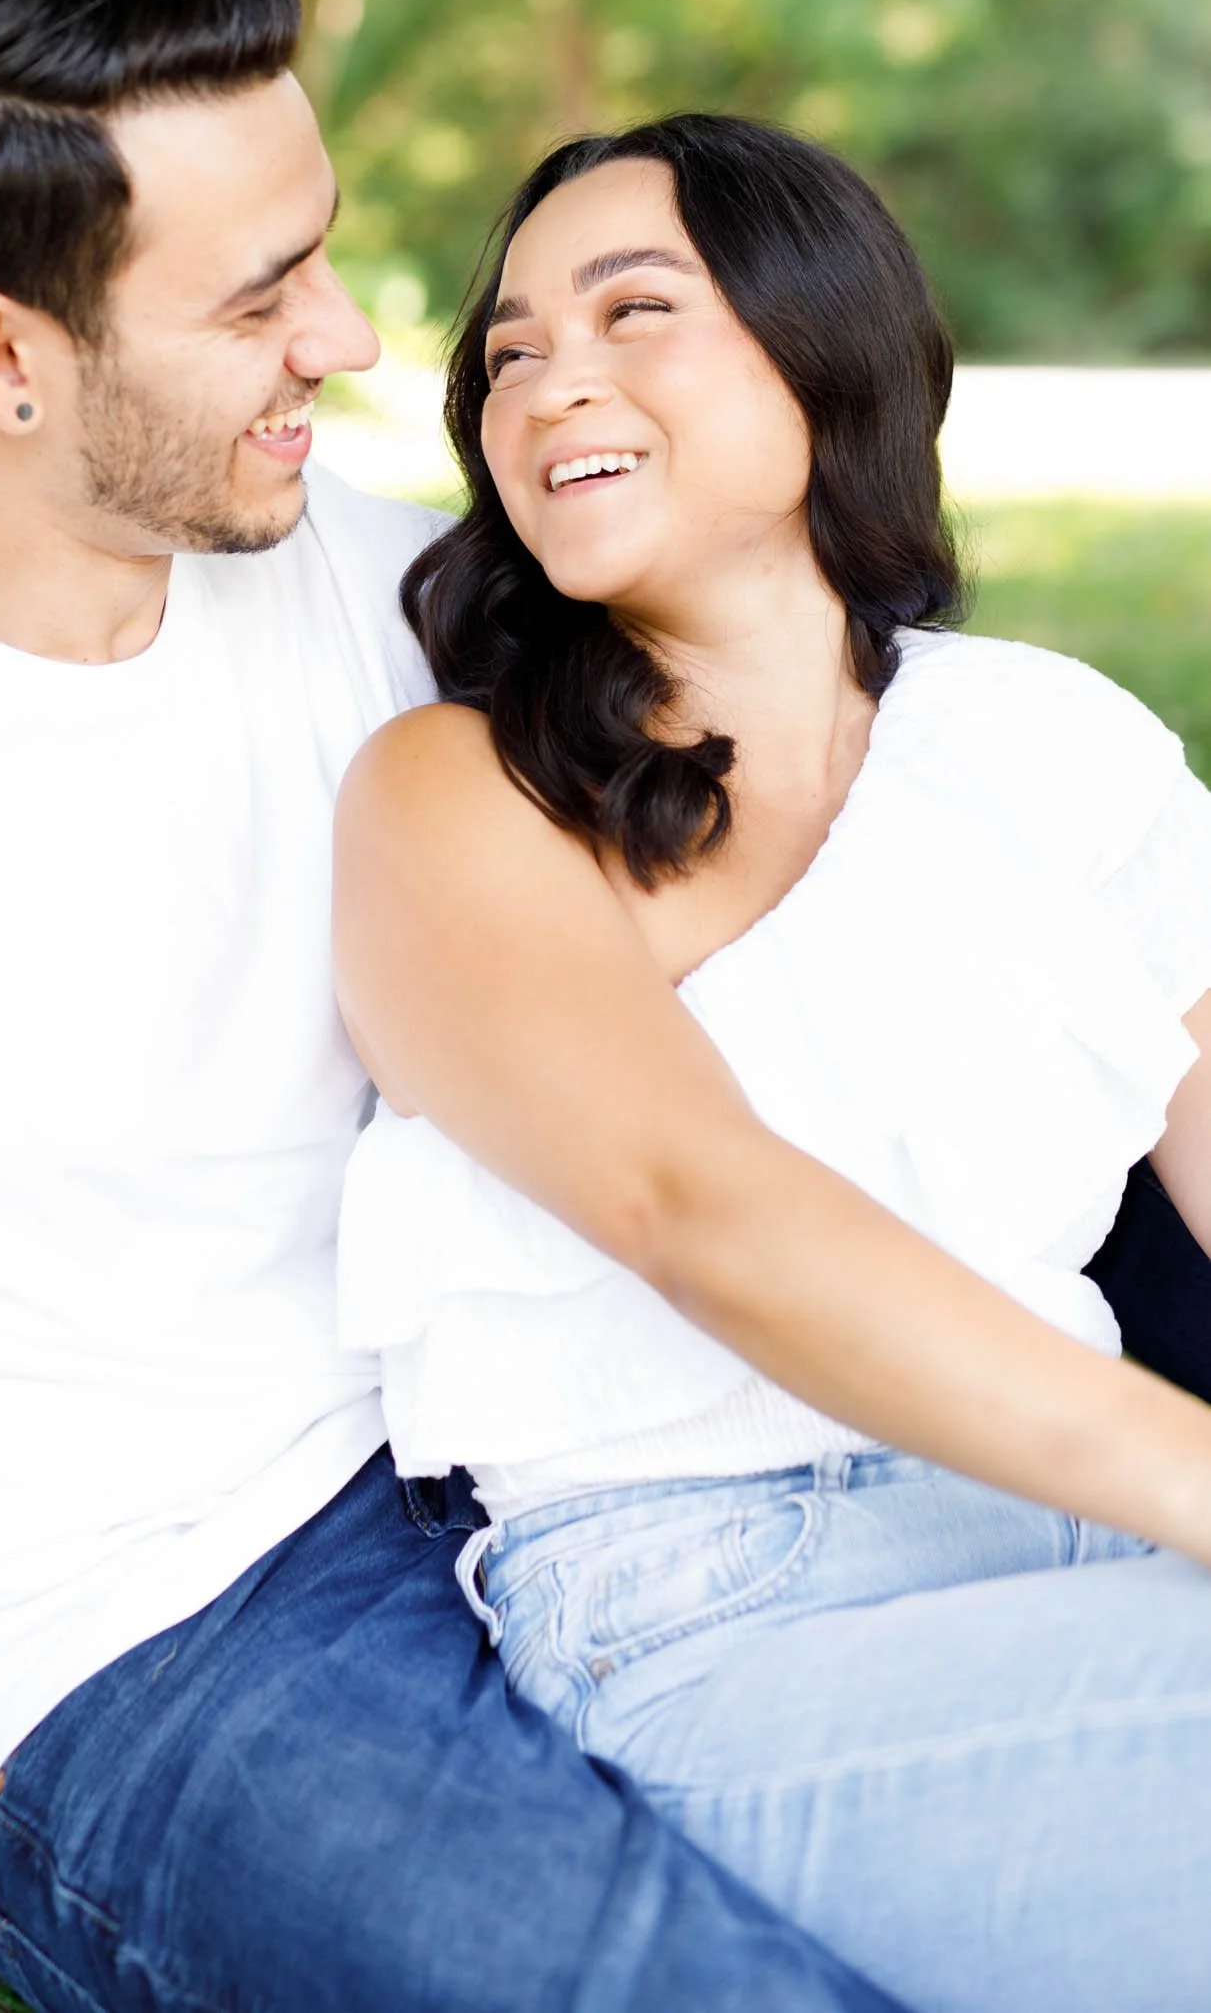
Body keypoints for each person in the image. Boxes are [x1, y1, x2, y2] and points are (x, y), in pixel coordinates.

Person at [0, 0, 916, 2013]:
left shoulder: (369, 583)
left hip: (534, 1434)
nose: (358, 341)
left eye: (326, 252)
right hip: (149, 1633)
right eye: (261, 294)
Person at [332, 113, 1211, 2013]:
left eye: (632, 309)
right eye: (505, 350)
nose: (545, 375)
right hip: (714, 1608)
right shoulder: (458, 796)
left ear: (820, 346)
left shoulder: (1054, 745)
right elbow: (701, 1210)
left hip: (1098, 1544)